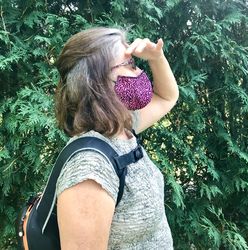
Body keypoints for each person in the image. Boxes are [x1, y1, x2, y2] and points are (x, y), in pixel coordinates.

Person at [55, 27, 179, 250]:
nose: (138, 72)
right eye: (129, 64)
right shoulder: (89, 169)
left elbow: (167, 97)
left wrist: (157, 58)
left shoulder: (120, 127)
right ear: (96, 82)